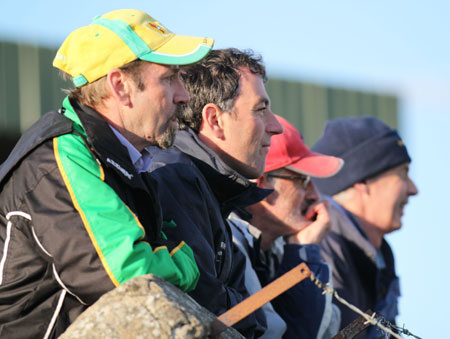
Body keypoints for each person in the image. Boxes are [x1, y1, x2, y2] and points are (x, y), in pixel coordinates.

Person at [0, 9, 213, 338]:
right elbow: (131, 281)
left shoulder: (110, 155)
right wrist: (188, 261)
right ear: (121, 85)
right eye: (169, 78)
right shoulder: (61, 157)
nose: (184, 94)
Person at [148, 48, 283, 337]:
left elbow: (251, 313)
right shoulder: (174, 177)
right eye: (261, 110)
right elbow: (204, 303)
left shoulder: (210, 190)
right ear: (214, 120)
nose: (276, 126)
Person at [229, 115, 343, 338]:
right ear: (261, 184)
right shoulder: (228, 241)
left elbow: (329, 327)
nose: (315, 195)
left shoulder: (275, 250)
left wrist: (302, 250)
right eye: (303, 181)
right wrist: (304, 253)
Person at [311, 116, 419, 337]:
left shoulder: (378, 260)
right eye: (403, 174)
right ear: (363, 182)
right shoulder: (321, 247)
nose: (413, 189)